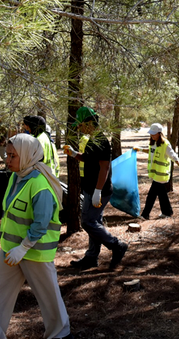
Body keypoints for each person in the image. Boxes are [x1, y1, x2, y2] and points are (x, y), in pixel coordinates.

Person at [0, 133, 73, 339]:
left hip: (34, 252)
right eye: (7, 155)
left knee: (47, 294)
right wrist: (15, 248)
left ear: (27, 155)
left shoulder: (40, 185)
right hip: (11, 251)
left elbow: (41, 223)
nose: (7, 160)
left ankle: (61, 336)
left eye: (13, 156)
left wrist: (24, 247)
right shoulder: (17, 176)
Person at [64, 106, 128, 271]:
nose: (78, 128)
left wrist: (98, 191)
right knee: (95, 222)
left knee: (88, 221)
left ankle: (117, 245)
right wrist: (74, 154)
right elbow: (88, 159)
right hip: (91, 188)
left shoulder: (101, 141)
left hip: (99, 190)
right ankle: (92, 257)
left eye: (80, 125)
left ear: (89, 122)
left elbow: (104, 168)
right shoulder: (92, 139)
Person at [133, 123, 179, 220]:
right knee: (162, 194)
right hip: (155, 174)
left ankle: (145, 215)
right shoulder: (153, 142)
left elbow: (174, 156)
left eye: (154, 134)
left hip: (161, 175)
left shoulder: (165, 144)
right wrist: (140, 149)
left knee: (151, 195)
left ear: (159, 133)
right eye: (151, 134)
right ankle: (167, 212)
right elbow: (150, 151)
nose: (152, 135)